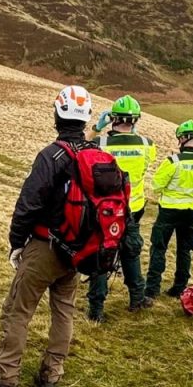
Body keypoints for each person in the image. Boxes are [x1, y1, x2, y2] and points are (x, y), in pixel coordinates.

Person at [0, 85, 97, 387]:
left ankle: (6, 380)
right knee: (64, 313)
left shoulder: (51, 156)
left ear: (58, 114)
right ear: (85, 119)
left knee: (18, 312)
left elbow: (27, 205)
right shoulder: (95, 155)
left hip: (44, 248)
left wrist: (16, 242)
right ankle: (51, 377)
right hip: (78, 252)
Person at [84, 95, 156, 320]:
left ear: (112, 118)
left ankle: (96, 310)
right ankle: (137, 298)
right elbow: (146, 166)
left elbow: (79, 148)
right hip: (132, 208)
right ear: (136, 120)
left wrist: (97, 127)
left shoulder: (100, 144)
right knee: (131, 252)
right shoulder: (147, 145)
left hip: (103, 211)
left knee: (101, 254)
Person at [144, 120, 193, 299]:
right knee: (184, 250)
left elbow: (156, 185)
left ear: (183, 139)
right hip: (191, 211)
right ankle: (180, 287)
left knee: (159, 248)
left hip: (169, 210)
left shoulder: (173, 161)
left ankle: (152, 289)